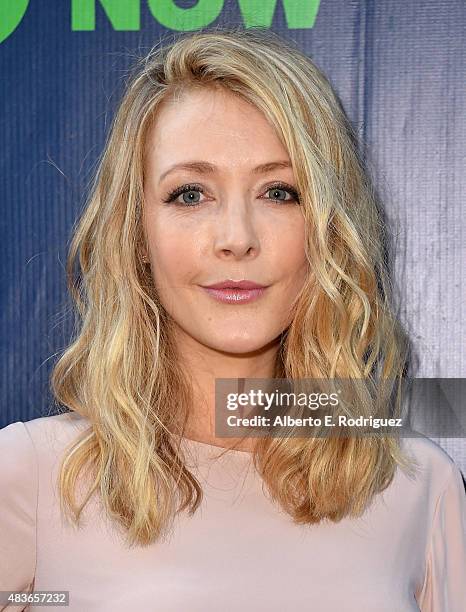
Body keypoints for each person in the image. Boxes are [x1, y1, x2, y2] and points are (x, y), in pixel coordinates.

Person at [1, 27, 465, 612]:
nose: (237, 239)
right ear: (136, 233)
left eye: (280, 192)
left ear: (324, 229)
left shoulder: (418, 486)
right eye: (190, 194)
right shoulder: (35, 478)